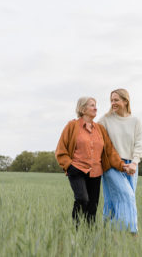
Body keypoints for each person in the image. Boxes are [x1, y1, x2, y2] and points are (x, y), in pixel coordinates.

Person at [55, 97, 129, 226]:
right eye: (92, 105)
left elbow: (110, 151)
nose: (96, 108)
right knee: (82, 199)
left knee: (92, 207)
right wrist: (69, 166)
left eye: (96, 105)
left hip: (95, 172)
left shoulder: (99, 129)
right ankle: (76, 230)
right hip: (76, 169)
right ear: (83, 109)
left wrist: (122, 165)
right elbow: (61, 150)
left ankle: (88, 236)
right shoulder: (72, 126)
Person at [99, 89, 142, 234]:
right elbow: (93, 133)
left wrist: (134, 162)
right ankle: (132, 233)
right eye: (111, 100)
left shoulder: (136, 121)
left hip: (132, 166)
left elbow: (140, 143)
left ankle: (109, 233)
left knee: (114, 200)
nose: (113, 103)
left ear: (126, 101)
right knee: (127, 197)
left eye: (116, 100)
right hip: (112, 166)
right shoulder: (105, 120)